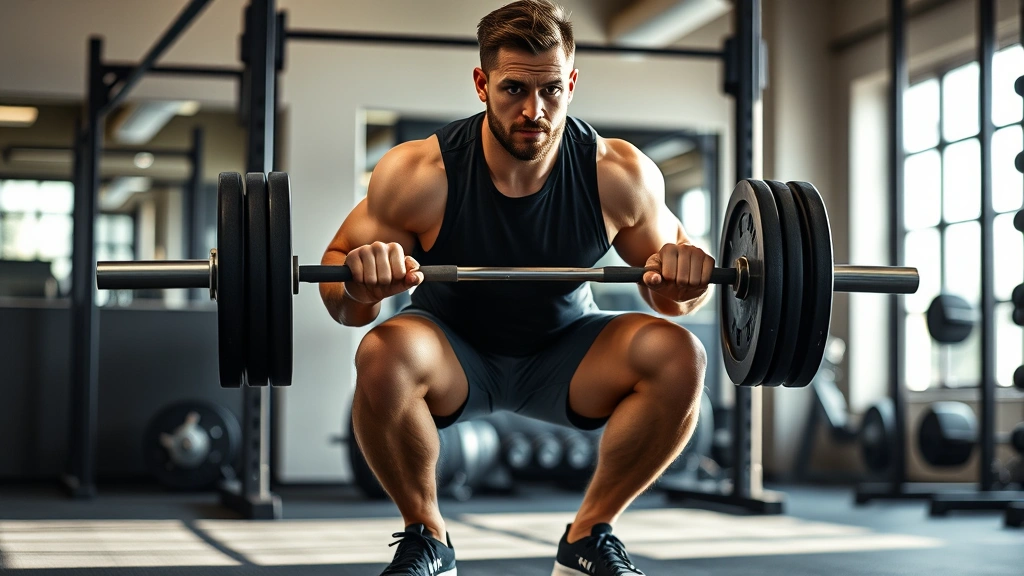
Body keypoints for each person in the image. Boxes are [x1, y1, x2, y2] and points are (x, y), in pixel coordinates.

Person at [319, 1, 713, 574]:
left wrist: (685, 277)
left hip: (569, 350)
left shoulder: (618, 174)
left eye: (552, 90)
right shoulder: (419, 174)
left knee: (682, 356)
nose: (534, 110)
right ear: (482, 84)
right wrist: (361, 287)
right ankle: (427, 537)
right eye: (513, 90)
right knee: (381, 351)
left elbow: (676, 301)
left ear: (572, 82)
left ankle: (588, 536)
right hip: (452, 350)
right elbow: (342, 302)